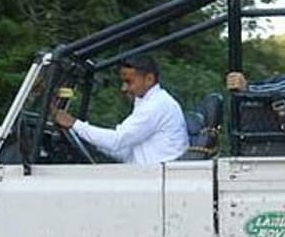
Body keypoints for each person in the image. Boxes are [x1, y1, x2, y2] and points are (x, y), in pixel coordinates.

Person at [51, 54, 188, 164]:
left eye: (129, 82)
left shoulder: (156, 105)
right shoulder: (151, 102)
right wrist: (91, 142)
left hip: (157, 181)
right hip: (152, 178)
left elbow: (116, 141)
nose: (123, 88)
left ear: (149, 79)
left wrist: (75, 124)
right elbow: (125, 151)